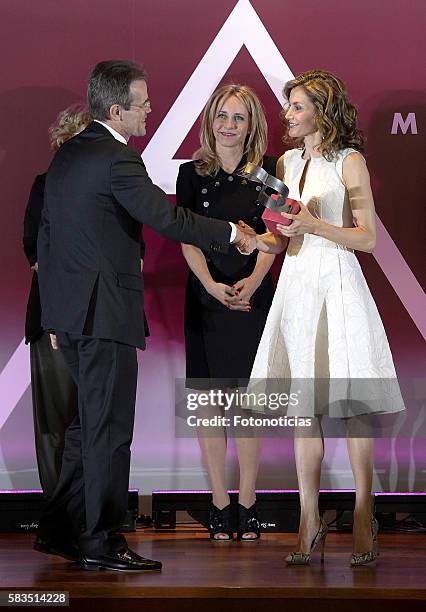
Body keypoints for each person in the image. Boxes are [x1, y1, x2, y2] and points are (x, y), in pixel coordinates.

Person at [35, 60, 256, 572]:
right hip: (103, 315)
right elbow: (167, 217)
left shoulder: (70, 153)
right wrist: (231, 234)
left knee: (83, 431)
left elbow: (49, 237)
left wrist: (51, 315)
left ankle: (63, 531)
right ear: (117, 109)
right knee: (108, 432)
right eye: (143, 103)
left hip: (70, 316)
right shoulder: (116, 158)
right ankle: (103, 543)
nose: (151, 109)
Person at [248, 70, 404, 566]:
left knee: (351, 403)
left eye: (296, 106)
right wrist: (256, 239)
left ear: (321, 109)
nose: (287, 115)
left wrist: (315, 223)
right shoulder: (287, 161)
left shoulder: (349, 160)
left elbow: (367, 239)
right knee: (303, 407)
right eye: (288, 106)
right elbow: (283, 234)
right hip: (296, 285)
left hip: (337, 282)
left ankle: (363, 511)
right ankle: (309, 518)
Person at [176, 85, 276, 541]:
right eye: (222, 115)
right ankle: (219, 504)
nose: (229, 125)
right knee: (211, 405)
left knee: (250, 406)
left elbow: (278, 234)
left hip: (254, 295)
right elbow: (187, 237)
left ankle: (250, 503)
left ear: (251, 124)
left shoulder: (269, 173)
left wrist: (252, 282)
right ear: (210, 120)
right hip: (206, 295)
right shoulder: (191, 174)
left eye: (239, 117)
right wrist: (212, 287)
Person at [23, 105, 90, 499]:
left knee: (100, 425)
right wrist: (54, 319)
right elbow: (35, 254)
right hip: (52, 318)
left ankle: (95, 514)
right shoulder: (44, 186)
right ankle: (60, 514)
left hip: (102, 322)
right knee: (55, 425)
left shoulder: (118, 185)